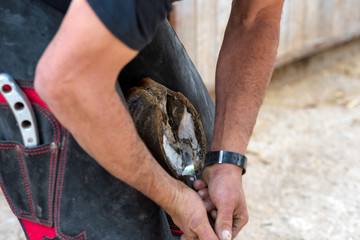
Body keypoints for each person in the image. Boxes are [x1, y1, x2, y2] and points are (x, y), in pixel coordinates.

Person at [0, 0, 285, 239]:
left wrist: (228, 162)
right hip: (18, 23)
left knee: (196, 161)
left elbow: (256, 16)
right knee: (113, 223)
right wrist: (172, 198)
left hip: (102, 11)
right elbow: (65, 82)